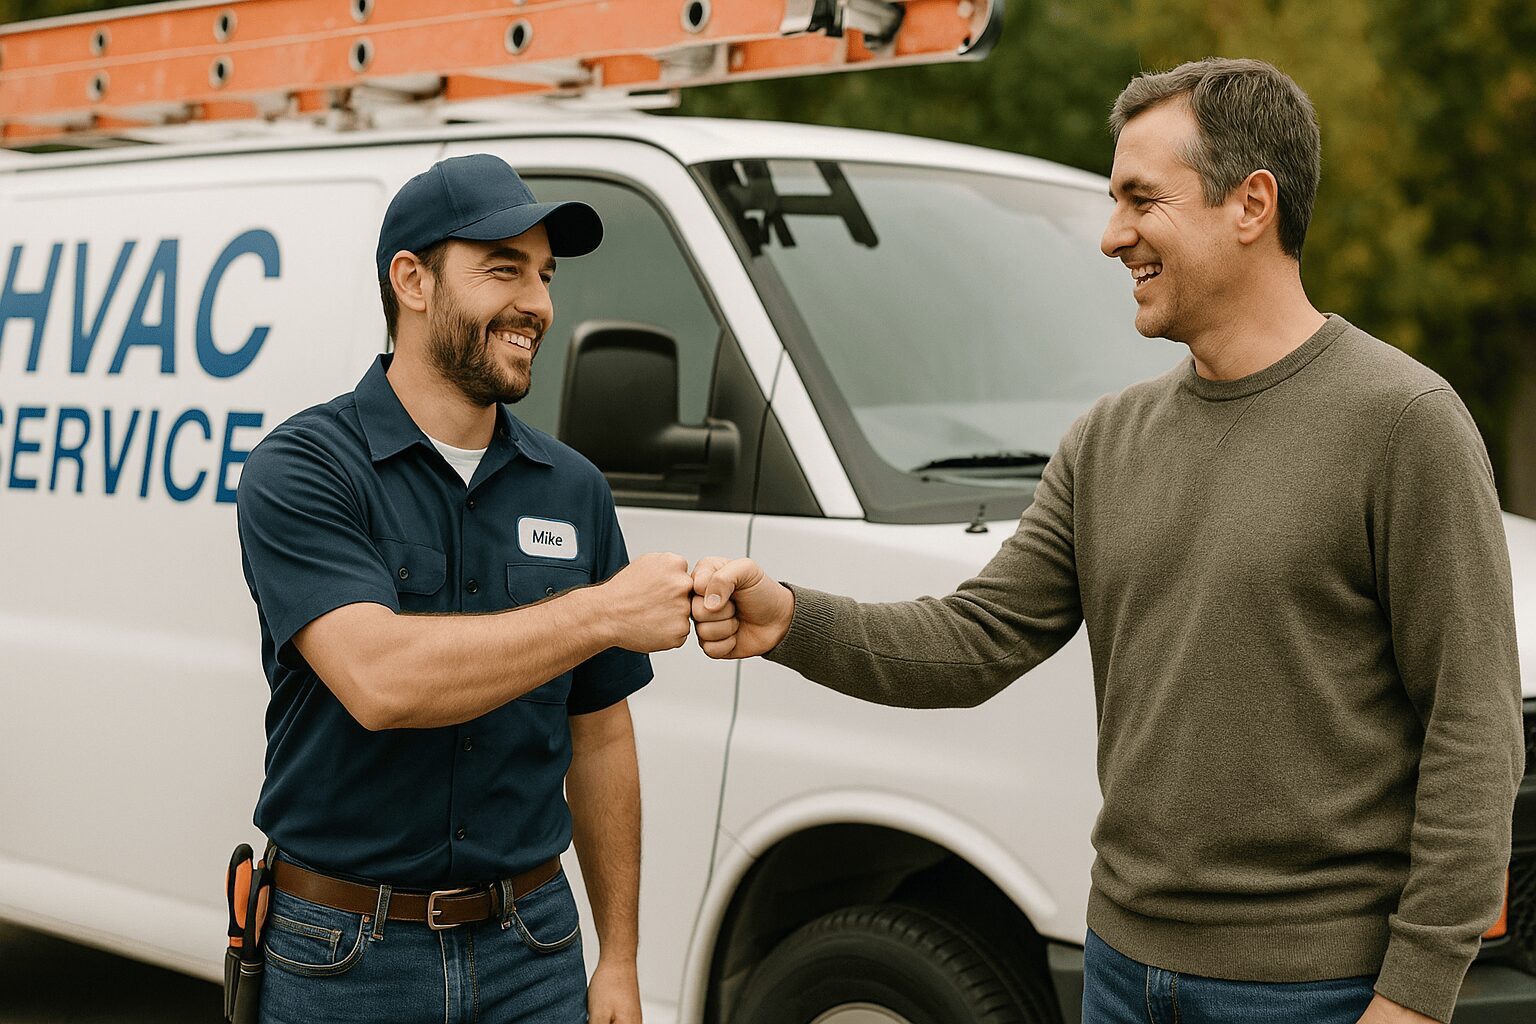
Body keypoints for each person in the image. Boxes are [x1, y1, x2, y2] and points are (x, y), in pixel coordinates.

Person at [689, 58, 1523, 1024]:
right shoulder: (1106, 440)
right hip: (1121, 972)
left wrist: (1414, 995)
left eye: (1141, 199)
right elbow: (974, 639)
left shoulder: (1404, 423)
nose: (1111, 234)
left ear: (1252, 204)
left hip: (1314, 991)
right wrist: (790, 619)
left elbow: (1474, 729)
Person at [236, 153, 692, 1024]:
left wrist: (621, 959)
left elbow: (599, 736)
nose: (538, 304)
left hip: (535, 951)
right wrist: (601, 611)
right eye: (503, 269)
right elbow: (381, 679)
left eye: (546, 276)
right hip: (343, 958)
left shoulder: (574, 489)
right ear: (411, 280)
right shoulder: (303, 469)